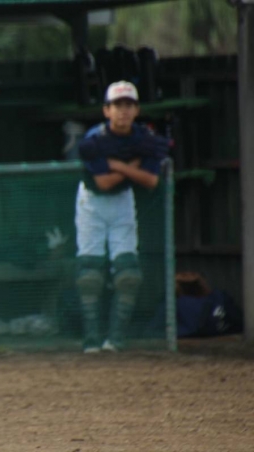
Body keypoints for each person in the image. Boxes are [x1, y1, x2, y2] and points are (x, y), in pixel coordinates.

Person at [75, 81, 169, 353]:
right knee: (90, 275)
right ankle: (92, 340)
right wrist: (131, 166)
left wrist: (116, 165)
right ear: (107, 110)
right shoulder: (95, 139)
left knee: (128, 273)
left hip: (123, 201)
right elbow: (103, 182)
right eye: (117, 105)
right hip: (91, 202)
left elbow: (151, 180)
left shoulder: (145, 139)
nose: (123, 111)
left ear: (137, 110)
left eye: (129, 105)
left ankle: (115, 340)